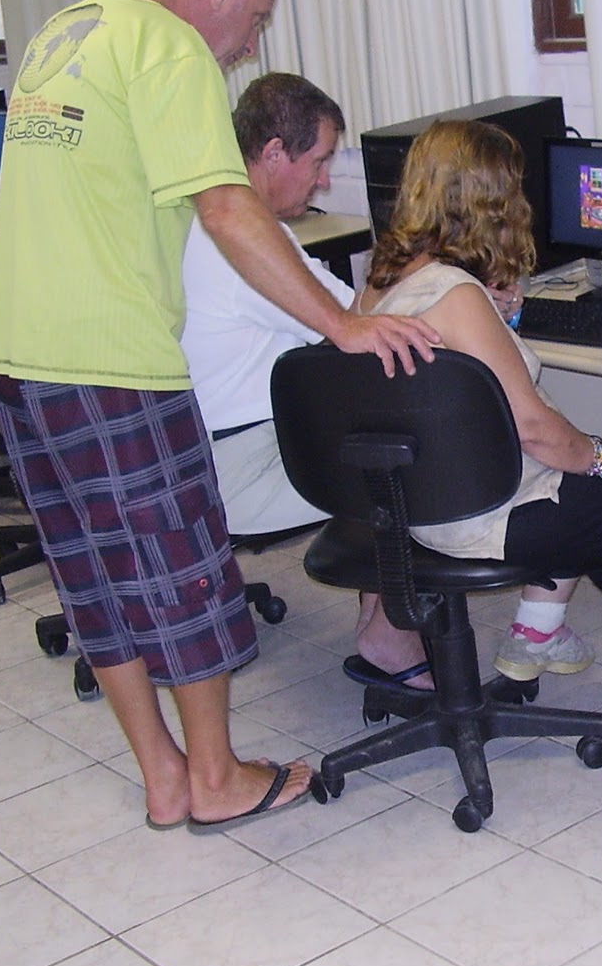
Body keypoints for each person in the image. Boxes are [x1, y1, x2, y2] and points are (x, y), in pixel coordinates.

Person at [0, 0, 439, 831]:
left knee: (96, 579)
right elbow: (226, 205)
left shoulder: (68, 30)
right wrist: (344, 323)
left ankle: (167, 777)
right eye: (256, 19)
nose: (250, 47)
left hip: (17, 355)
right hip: (110, 360)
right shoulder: (169, 43)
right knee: (183, 568)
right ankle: (218, 777)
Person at [357, 118, 602, 774]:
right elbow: (536, 431)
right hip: (486, 514)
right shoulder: (457, 296)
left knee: (581, 487)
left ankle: (535, 637)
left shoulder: (381, 284)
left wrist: (500, 314)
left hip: (415, 506)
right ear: (492, 202)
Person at [180, 70, 432, 691]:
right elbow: (360, 322)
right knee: (423, 457)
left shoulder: (205, 220)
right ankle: (389, 635)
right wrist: (443, 273)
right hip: (238, 469)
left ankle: (380, 619)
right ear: (272, 153)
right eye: (318, 161)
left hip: (204, 450)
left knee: (377, 423)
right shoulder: (246, 243)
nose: (323, 181)